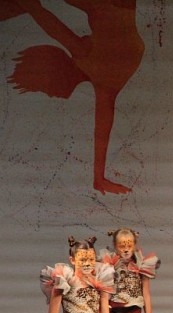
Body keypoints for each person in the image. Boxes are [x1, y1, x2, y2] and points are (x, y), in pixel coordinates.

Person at [5, 0, 145, 194]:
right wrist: (98, 178)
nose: (51, 95)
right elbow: (101, 131)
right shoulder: (96, 73)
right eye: (43, 90)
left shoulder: (99, 77)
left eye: (44, 90)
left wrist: (99, 178)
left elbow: (47, 21)